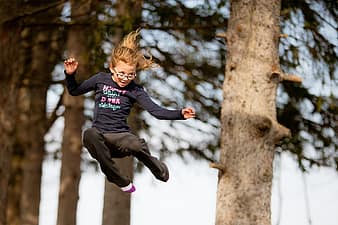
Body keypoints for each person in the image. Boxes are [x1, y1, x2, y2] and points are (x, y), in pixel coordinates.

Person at [64, 29, 195, 193]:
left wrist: (180, 113)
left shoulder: (135, 90)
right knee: (89, 134)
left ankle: (157, 168)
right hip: (100, 139)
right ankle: (119, 179)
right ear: (112, 68)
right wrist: (70, 75)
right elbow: (74, 91)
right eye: (122, 74)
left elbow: (157, 112)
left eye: (130, 75)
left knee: (136, 144)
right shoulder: (100, 80)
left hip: (120, 139)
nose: (125, 78)